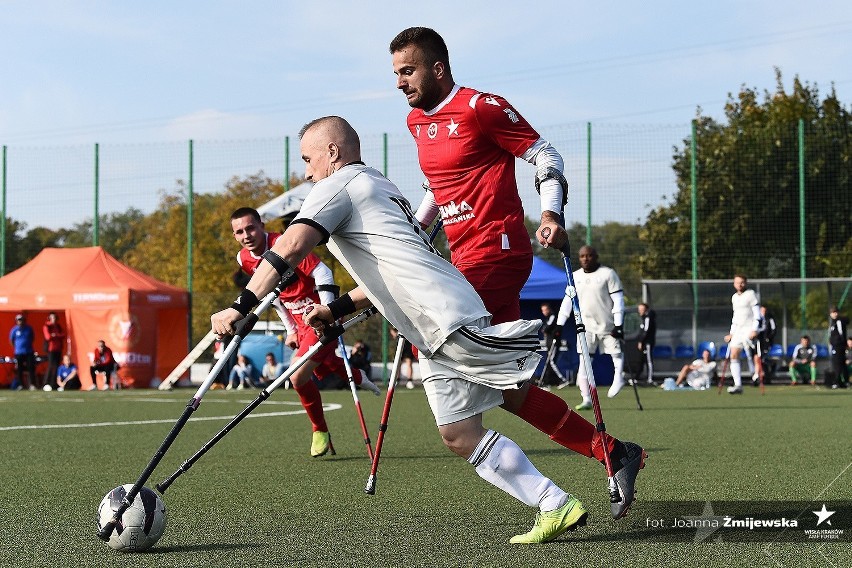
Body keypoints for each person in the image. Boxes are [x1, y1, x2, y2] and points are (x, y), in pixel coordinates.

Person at [210, 116, 645, 543]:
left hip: (445, 318)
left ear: (332, 152)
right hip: (436, 324)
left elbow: (289, 245)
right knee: (460, 431)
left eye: (308, 158)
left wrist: (239, 307)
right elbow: (392, 271)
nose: (305, 171)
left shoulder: (336, 186)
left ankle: (596, 464)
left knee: (509, 392)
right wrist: (338, 308)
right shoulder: (379, 186)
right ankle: (563, 498)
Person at [391, 27, 628, 465]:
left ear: (438, 68)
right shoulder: (415, 122)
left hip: (498, 252)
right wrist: (415, 232)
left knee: (437, 334)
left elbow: (544, 154)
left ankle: (517, 473)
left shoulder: (482, 107)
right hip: (461, 259)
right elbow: (437, 185)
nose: (399, 82)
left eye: (408, 71)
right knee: (511, 392)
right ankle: (613, 454)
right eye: (396, 73)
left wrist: (552, 213)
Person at [231, 206, 380, 458]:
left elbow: (322, 271)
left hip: (319, 312)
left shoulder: (285, 243)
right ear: (234, 236)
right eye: (239, 231)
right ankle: (356, 374)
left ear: (262, 226)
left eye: (251, 228)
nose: (247, 235)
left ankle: (319, 429)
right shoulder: (243, 259)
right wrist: (291, 329)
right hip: (298, 320)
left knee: (297, 376)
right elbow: (271, 295)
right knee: (318, 366)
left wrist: (327, 312)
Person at [554, 246, 626, 409]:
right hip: (585, 328)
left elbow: (618, 300)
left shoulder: (608, 274)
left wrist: (619, 323)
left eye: (589, 256)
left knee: (616, 354)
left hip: (607, 326)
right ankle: (586, 398)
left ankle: (619, 378)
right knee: (584, 363)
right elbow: (567, 302)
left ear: (596, 256)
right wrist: (559, 324)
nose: (586, 259)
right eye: (582, 256)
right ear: (579, 258)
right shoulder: (575, 276)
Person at [723, 274, 761, 394]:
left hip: (748, 329)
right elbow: (735, 317)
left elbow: (757, 314)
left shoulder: (751, 294)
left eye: (742, 282)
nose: (740, 284)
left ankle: (755, 376)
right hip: (738, 331)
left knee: (750, 354)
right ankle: (738, 385)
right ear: (734, 284)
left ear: (746, 283)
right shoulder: (734, 297)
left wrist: (754, 329)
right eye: (737, 282)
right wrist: (731, 333)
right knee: (734, 354)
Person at [538, 303, 565, 387]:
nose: (544, 312)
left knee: (551, 362)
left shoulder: (553, 316)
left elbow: (547, 328)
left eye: (545, 310)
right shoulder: (547, 319)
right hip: (549, 344)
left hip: (554, 343)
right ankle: (548, 381)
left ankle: (562, 379)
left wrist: (547, 331)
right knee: (548, 362)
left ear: (549, 309)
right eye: (543, 310)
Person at [9, 313, 35, 390]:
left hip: (28, 351)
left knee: (31, 368)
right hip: (19, 352)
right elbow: (11, 340)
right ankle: (20, 385)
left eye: (21, 320)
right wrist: (17, 347)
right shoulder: (14, 330)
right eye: (19, 320)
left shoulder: (29, 328)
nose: (20, 322)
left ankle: (32, 384)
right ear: (16, 321)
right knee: (19, 369)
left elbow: (32, 338)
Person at [42, 312, 65, 390]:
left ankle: (54, 383)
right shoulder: (47, 326)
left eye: (55, 318)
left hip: (58, 348)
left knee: (57, 367)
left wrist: (55, 335)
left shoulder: (58, 326)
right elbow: (48, 337)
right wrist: (56, 335)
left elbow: (63, 335)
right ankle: (46, 383)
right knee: (51, 366)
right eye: (52, 318)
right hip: (51, 349)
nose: (53, 320)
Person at [828, 306, 849, 389]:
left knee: (837, 364)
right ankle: (844, 382)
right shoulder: (833, 322)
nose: (835, 314)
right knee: (841, 364)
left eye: (836, 312)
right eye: (833, 312)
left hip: (839, 346)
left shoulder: (839, 321)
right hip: (836, 346)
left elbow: (841, 334)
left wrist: (842, 344)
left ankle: (836, 382)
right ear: (830, 314)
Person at [636, 303, 657, 385]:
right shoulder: (643, 318)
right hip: (645, 343)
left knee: (649, 360)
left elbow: (646, 330)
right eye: (639, 309)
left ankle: (650, 379)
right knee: (641, 360)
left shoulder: (648, 318)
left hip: (648, 342)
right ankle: (637, 377)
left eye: (641, 309)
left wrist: (641, 341)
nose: (639, 311)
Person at [756, 305, 777, 382]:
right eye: (761, 311)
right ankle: (763, 376)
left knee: (763, 359)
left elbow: (774, 330)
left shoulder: (770, 319)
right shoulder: (758, 320)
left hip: (767, 343)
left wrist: (768, 338)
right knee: (759, 359)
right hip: (759, 343)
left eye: (764, 311)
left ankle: (768, 375)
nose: (763, 313)